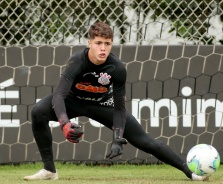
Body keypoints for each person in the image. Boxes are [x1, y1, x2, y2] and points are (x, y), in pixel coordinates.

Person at [23, 21, 207, 181]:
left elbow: (119, 107)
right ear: (89, 43)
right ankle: (49, 170)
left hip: (101, 104)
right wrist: (64, 123)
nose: (103, 48)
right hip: (73, 101)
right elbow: (59, 95)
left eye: (107, 44)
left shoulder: (117, 68)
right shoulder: (77, 61)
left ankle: (190, 173)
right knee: (38, 112)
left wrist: (118, 138)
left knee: (144, 141)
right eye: (98, 43)